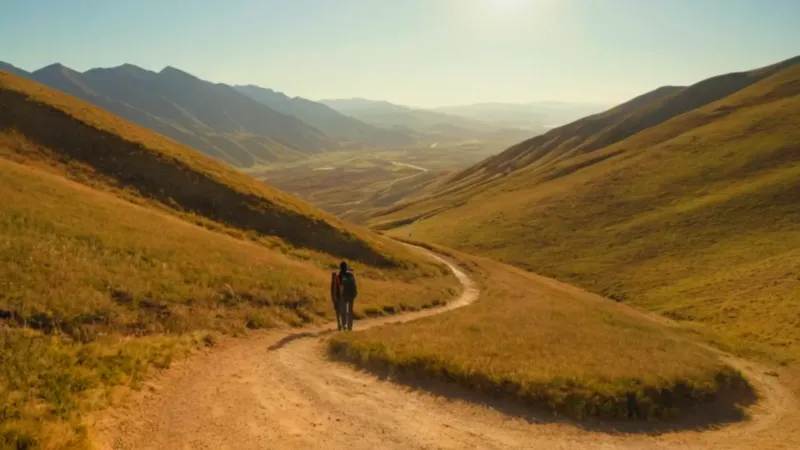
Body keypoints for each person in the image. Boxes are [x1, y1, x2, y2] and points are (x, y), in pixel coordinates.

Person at [337, 261, 358, 331]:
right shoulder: (350, 275)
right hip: (349, 295)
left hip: (344, 296)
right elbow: (354, 285)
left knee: (344, 312)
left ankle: (345, 326)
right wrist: (355, 293)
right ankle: (348, 327)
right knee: (349, 312)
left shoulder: (340, 275)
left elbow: (338, 286)